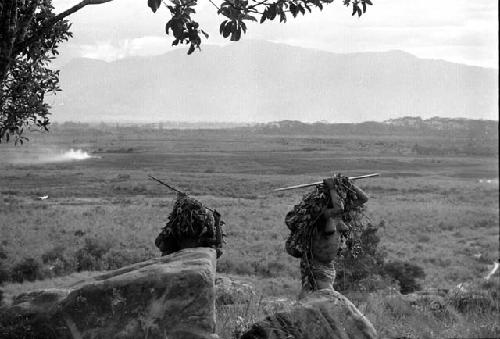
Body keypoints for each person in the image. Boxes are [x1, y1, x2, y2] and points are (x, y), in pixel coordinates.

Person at [285, 174, 368, 296]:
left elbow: (363, 198)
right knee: (323, 297)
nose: (338, 198)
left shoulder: (338, 215)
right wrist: (332, 187)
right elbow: (338, 208)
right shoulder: (322, 215)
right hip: (316, 267)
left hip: (329, 267)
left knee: (318, 297)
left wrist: (345, 183)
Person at [155, 193, 224, 258]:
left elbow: (218, 242)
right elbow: (159, 244)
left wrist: (217, 223)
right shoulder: (176, 236)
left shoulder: (200, 239)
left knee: (217, 251)